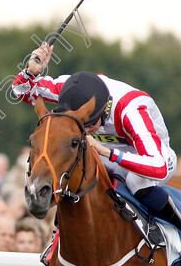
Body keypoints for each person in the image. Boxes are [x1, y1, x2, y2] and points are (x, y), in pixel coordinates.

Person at [14, 43, 178, 226]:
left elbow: (159, 166)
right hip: (101, 149)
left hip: (149, 157)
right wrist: (31, 71)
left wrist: (108, 152)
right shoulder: (70, 90)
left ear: (104, 110)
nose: (87, 129)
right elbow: (22, 91)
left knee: (136, 182)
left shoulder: (131, 110)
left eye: (90, 124)